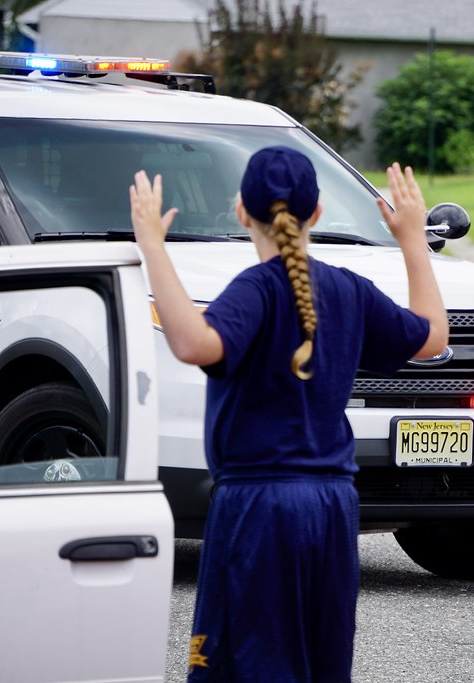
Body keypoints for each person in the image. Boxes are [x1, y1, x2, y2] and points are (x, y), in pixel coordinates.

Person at [129, 147, 448, 681]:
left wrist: (152, 247)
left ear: (240, 213)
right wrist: (413, 239)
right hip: (332, 508)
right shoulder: (349, 289)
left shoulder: (255, 289)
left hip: (259, 508)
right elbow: (432, 334)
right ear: (317, 214)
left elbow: (190, 342)